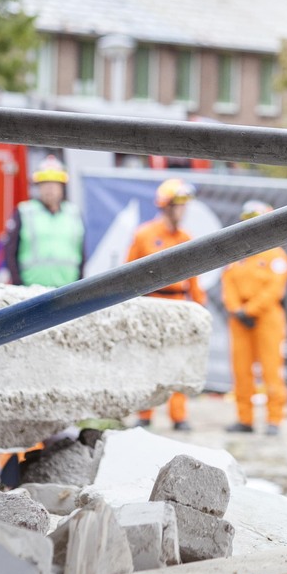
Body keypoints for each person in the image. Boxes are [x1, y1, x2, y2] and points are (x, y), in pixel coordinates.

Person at [128, 178, 206, 431]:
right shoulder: (144, 235)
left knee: (178, 362)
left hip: (179, 305)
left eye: (185, 205)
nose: (182, 210)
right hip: (151, 304)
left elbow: (194, 279)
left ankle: (179, 416)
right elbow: (128, 273)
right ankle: (144, 414)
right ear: (166, 206)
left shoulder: (187, 238)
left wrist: (198, 307)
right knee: (147, 360)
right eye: (178, 205)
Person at [222, 200, 287, 436]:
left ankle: (274, 420)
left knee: (272, 371)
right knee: (241, 371)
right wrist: (236, 310)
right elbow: (228, 283)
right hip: (239, 320)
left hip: (267, 318)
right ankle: (244, 419)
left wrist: (250, 310)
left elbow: (274, 289)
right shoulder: (237, 254)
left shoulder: (276, 255)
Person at [4, 156, 82, 288]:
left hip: (68, 290)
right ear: (38, 186)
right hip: (30, 290)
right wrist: (19, 285)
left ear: (62, 186)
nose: (49, 188)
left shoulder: (74, 214)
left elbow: (81, 253)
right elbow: (10, 252)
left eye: (54, 184)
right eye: (45, 184)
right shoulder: (24, 212)